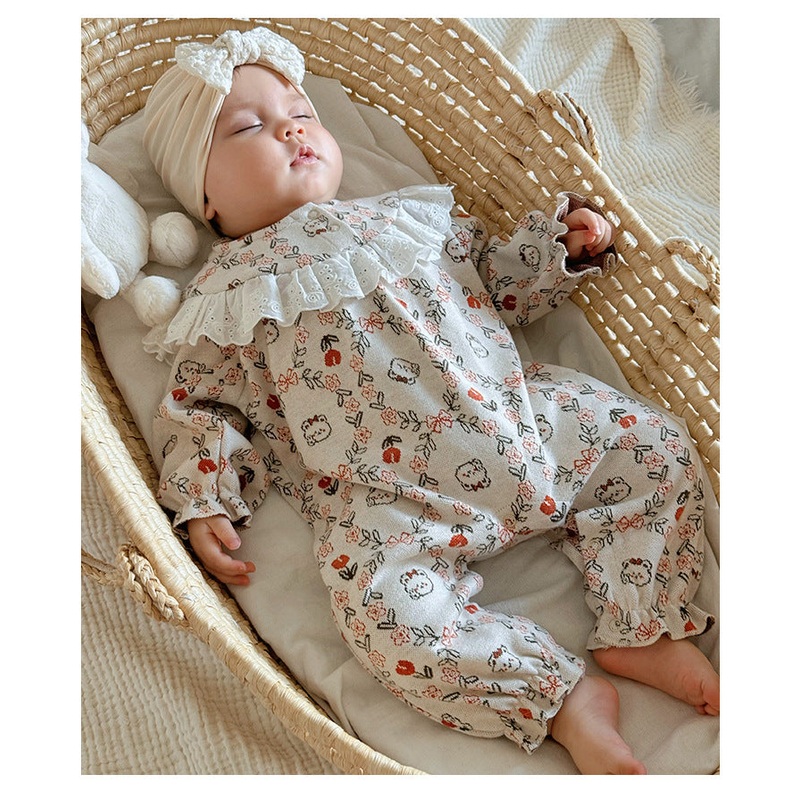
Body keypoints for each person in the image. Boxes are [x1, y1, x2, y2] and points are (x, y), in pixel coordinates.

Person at [143, 27, 719, 774]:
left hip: (518, 418)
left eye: (302, 113)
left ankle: (642, 623)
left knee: (652, 445)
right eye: (250, 127)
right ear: (205, 200)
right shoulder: (226, 299)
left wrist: (557, 252)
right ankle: (558, 697)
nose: (292, 129)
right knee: (384, 619)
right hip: (390, 501)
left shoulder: (408, 218)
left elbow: (496, 286)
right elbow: (204, 410)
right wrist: (206, 497)